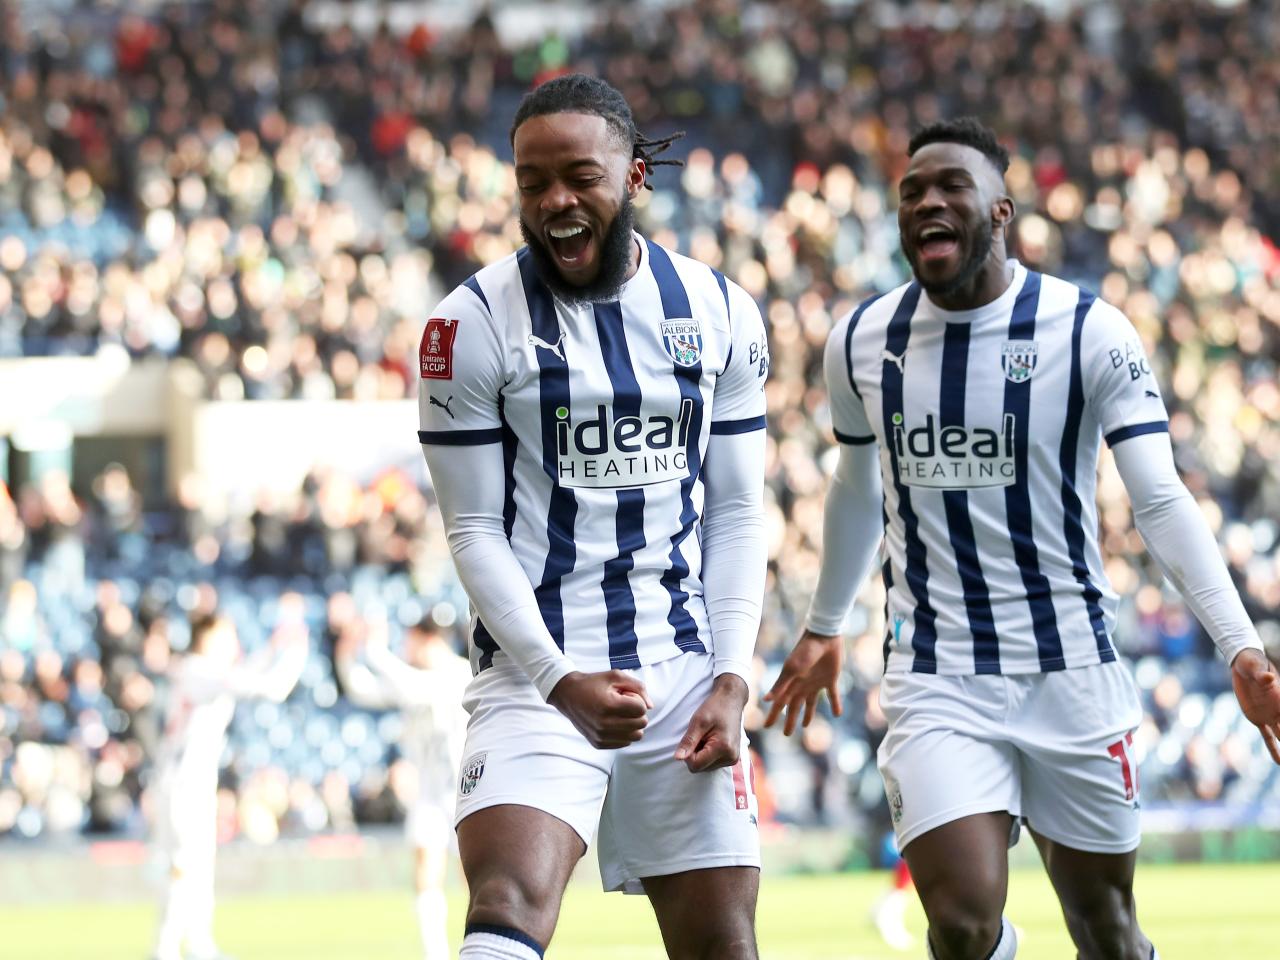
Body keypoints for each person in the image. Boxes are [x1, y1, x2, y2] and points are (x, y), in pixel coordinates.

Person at [763, 117, 1280, 960]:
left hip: (1070, 668)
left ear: (1002, 212)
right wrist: (826, 625)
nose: (927, 201)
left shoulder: (1089, 329)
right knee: (962, 927)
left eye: (951, 187)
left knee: (1105, 931)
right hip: (936, 672)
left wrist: (1238, 646)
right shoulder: (860, 341)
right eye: (911, 192)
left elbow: (1159, 497)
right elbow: (857, 488)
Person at [416, 73, 770, 960]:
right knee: (506, 899)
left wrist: (731, 676)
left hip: (685, 676)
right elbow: (473, 531)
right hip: (538, 672)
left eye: (580, 176)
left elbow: (734, 510)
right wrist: (555, 677)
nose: (555, 202)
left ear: (637, 176)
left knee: (723, 944)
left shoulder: (720, 311)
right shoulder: (466, 328)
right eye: (532, 183)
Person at [150, 603, 308, 960]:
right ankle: (165, 948)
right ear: (208, 637)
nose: (234, 641)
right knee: (184, 865)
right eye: (227, 634)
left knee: (200, 868)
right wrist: (296, 652)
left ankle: (198, 946)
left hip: (194, 782)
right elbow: (267, 687)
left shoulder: (199, 670)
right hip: (182, 784)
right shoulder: (196, 670)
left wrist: (272, 647)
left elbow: (244, 672)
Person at [335, 612, 472, 960]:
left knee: (474, 878)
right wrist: (347, 652)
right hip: (429, 793)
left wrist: (376, 648)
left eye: (413, 638)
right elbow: (362, 688)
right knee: (425, 868)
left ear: (430, 640)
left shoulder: (458, 673)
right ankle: (435, 953)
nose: (408, 646)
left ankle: (482, 944)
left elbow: (409, 685)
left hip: (466, 791)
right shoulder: (414, 678)